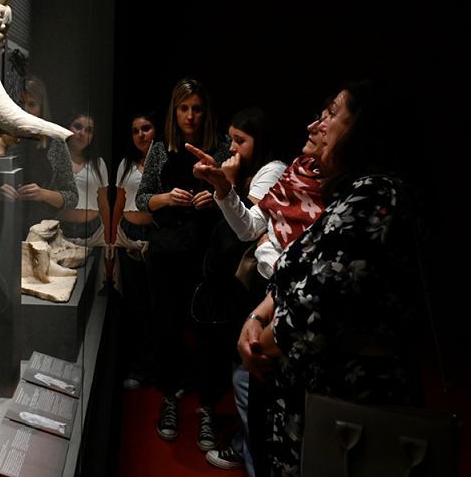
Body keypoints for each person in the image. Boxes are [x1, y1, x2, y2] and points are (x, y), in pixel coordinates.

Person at [239, 81, 418, 475]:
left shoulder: (377, 195)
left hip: (345, 407)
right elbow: (296, 271)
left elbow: (319, 302)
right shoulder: (348, 194)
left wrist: (259, 341)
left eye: (331, 114)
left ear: (363, 128)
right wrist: (255, 319)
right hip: (313, 396)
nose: (313, 126)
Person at [189, 109, 328, 474]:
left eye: (330, 116)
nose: (313, 124)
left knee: (277, 412)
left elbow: (298, 254)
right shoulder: (299, 170)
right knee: (253, 394)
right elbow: (253, 228)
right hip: (268, 294)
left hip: (293, 301)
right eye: (317, 115)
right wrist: (223, 186)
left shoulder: (333, 185)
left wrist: (272, 245)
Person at [135, 78, 220, 446]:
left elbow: (238, 196)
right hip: (167, 251)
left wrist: (215, 199)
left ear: (205, 111)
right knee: (166, 327)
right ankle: (169, 398)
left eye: (196, 108)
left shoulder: (220, 146)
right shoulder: (159, 149)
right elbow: (142, 200)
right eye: (184, 108)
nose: (190, 115)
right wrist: (168, 198)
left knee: (208, 333)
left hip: (206, 254)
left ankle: (208, 409)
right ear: (174, 110)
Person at [111, 111, 159, 389]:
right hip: (129, 237)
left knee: (159, 305)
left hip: (157, 237)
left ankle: (162, 369)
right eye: (135, 131)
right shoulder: (126, 165)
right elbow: (118, 202)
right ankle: (140, 368)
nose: (141, 135)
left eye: (146, 128)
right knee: (136, 305)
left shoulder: (166, 162)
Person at [1, 75, 77, 235]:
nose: (25, 110)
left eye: (32, 104)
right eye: (20, 103)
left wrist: (42, 194)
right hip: (1, 227)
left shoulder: (54, 141)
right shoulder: (1, 138)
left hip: (41, 231)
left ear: (42, 108)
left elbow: (71, 197)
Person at [58, 112, 110, 248]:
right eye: (77, 127)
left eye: (89, 130)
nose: (82, 133)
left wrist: (109, 239)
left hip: (95, 234)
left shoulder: (98, 164)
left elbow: (103, 203)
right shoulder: (55, 161)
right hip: (60, 232)